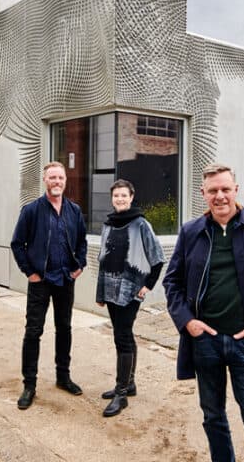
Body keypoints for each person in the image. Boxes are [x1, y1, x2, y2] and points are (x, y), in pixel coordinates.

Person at [163, 163, 244, 462]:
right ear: (203, 194)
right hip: (205, 342)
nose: (220, 196)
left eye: (225, 189)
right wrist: (188, 322)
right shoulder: (191, 232)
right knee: (213, 417)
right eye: (213, 191)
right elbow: (172, 281)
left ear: (236, 190)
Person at [11, 161, 87, 410]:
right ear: (45, 180)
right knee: (34, 331)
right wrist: (30, 272)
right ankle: (29, 384)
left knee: (64, 329)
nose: (57, 182)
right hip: (41, 281)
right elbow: (17, 244)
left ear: (66, 180)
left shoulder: (74, 211)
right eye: (52, 177)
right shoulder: (32, 210)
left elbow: (82, 241)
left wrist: (80, 265)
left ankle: (63, 377)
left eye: (60, 178)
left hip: (65, 279)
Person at [95, 178, 165, 417]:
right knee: (121, 336)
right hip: (110, 289)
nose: (120, 199)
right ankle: (129, 384)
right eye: (116, 196)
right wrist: (100, 292)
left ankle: (121, 393)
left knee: (122, 337)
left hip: (130, 291)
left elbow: (158, 258)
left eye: (124, 195)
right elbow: (103, 260)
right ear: (112, 198)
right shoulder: (108, 224)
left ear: (131, 197)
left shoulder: (140, 224)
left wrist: (148, 286)